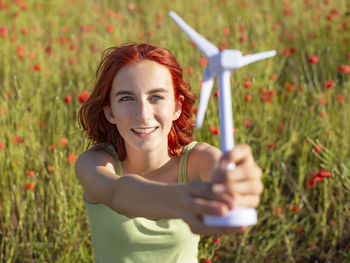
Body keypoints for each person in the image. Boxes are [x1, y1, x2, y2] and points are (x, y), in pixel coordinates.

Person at [75, 43, 263, 263]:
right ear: (110, 112)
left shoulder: (197, 159)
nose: (143, 114)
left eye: (156, 97)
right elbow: (118, 193)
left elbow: (223, 175)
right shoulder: (94, 163)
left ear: (176, 107)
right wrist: (184, 200)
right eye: (126, 98)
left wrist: (238, 185)